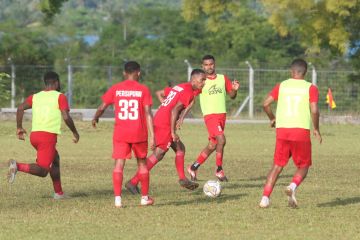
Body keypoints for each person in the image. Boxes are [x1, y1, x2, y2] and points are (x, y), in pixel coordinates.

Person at [125, 69, 206, 194]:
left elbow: (168, 96)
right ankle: (133, 182)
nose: (204, 82)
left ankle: (182, 178)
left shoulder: (181, 87)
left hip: (161, 118)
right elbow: (174, 111)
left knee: (180, 149)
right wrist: (173, 132)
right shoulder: (188, 91)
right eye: (202, 80)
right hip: (165, 124)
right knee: (158, 154)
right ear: (194, 79)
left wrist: (167, 107)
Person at [259, 58, 322, 208]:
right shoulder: (310, 88)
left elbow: (265, 104)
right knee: (304, 165)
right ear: (305, 73)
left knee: (277, 166)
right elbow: (314, 109)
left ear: (291, 71)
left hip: (282, 131)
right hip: (300, 131)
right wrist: (317, 128)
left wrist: (273, 118)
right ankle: (292, 187)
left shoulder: (282, 86)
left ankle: (265, 199)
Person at [7, 71, 80, 200]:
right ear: (56, 82)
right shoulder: (60, 96)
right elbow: (66, 116)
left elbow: (20, 108)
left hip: (35, 136)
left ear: (45, 83)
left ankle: (58, 193)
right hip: (47, 137)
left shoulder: (36, 96)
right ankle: (17, 166)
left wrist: (19, 127)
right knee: (43, 170)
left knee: (55, 160)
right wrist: (75, 132)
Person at [92, 61, 155, 208]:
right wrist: (153, 135)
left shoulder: (116, 88)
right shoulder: (143, 89)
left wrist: (95, 117)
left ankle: (118, 200)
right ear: (138, 73)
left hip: (121, 133)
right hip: (139, 132)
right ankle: (144, 198)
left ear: (124, 73)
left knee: (119, 165)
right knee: (142, 165)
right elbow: (148, 113)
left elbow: (102, 106)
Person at [187, 55, 240, 182]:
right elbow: (191, 98)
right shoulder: (202, 81)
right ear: (202, 66)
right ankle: (219, 170)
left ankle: (193, 167)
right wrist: (182, 114)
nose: (209, 67)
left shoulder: (222, 78)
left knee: (213, 145)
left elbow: (232, 95)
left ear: (214, 64)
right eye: (206, 65)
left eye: (211, 64)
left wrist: (234, 90)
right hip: (210, 116)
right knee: (221, 139)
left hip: (222, 115)